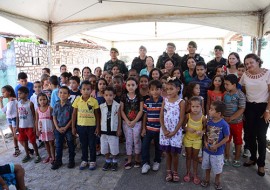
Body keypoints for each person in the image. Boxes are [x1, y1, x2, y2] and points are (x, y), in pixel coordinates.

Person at [240, 53, 270, 177]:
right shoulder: (245, 75)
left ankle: (261, 164)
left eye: (251, 62)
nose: (249, 65)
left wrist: (268, 110)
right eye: (246, 64)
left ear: (258, 61)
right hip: (249, 107)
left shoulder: (267, 73)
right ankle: (253, 158)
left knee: (261, 137)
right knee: (250, 135)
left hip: (263, 107)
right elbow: (243, 90)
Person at [160, 77, 185, 182]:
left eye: (171, 89)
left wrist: (174, 131)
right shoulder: (165, 100)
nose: (168, 91)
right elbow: (161, 116)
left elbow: (182, 118)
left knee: (174, 153)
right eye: (167, 89)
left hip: (176, 131)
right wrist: (164, 129)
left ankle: (175, 171)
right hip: (165, 131)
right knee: (167, 153)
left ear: (178, 89)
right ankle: (168, 171)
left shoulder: (181, 102)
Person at [72, 80, 100, 170]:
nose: (86, 91)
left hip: (92, 126)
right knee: (83, 144)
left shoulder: (94, 101)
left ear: (91, 90)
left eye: (88, 89)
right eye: (84, 89)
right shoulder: (77, 100)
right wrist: (73, 127)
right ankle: (84, 160)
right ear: (80, 91)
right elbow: (74, 114)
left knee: (92, 144)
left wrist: (98, 126)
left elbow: (97, 114)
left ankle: (92, 161)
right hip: (81, 126)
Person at [201, 101, 229, 189]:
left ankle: (217, 181)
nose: (209, 110)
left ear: (219, 113)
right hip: (207, 150)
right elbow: (205, 133)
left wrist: (217, 146)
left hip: (218, 152)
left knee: (217, 168)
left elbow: (226, 138)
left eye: (212, 109)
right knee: (207, 166)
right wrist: (205, 142)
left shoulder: (224, 124)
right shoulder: (209, 122)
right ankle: (207, 179)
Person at [120, 77, 144, 169]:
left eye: (133, 85)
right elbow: (121, 110)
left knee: (137, 140)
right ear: (125, 86)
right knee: (129, 141)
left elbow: (141, 110)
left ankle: (137, 158)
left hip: (137, 122)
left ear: (137, 86)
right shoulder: (123, 97)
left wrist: (134, 121)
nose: (130, 87)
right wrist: (127, 121)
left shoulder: (139, 97)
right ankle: (129, 159)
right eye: (128, 85)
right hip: (126, 123)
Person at [141, 80, 163, 174]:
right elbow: (145, 115)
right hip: (148, 129)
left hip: (159, 130)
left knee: (158, 147)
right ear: (149, 91)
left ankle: (157, 161)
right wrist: (143, 128)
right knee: (145, 146)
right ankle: (145, 163)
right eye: (152, 90)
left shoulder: (164, 101)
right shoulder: (147, 101)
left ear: (161, 90)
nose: (155, 92)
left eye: (157, 89)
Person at [223, 74, 246, 167]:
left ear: (234, 85)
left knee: (238, 140)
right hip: (226, 122)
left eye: (227, 84)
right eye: (225, 84)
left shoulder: (240, 95)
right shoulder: (225, 94)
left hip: (237, 123)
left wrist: (231, 118)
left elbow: (241, 109)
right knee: (227, 139)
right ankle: (226, 157)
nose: (225, 86)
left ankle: (236, 159)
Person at [183, 96, 206, 185]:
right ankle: (188, 172)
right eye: (193, 106)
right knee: (188, 156)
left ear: (201, 107)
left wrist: (202, 132)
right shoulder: (187, 116)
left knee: (195, 158)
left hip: (197, 141)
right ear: (190, 106)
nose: (195, 109)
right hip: (188, 139)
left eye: (197, 106)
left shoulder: (203, 118)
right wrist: (187, 128)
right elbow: (183, 126)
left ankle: (195, 174)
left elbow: (205, 129)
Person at [52, 86, 75, 170]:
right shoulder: (56, 105)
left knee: (70, 144)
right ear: (58, 94)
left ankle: (71, 160)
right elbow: (54, 117)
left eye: (65, 93)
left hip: (67, 128)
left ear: (69, 95)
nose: (62, 94)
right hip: (58, 128)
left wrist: (66, 127)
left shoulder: (71, 106)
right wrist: (57, 128)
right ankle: (58, 161)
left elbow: (72, 118)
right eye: (60, 92)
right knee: (58, 145)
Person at [16, 86, 41, 163]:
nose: (18, 95)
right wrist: (17, 126)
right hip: (21, 126)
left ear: (26, 94)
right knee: (24, 141)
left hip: (30, 126)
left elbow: (34, 116)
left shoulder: (30, 103)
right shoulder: (18, 104)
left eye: (20, 93)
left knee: (33, 141)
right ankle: (27, 154)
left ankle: (37, 155)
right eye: (18, 93)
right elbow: (17, 116)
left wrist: (35, 126)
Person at [100, 86, 121, 171]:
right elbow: (100, 117)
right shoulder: (101, 106)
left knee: (114, 147)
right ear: (104, 96)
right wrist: (98, 128)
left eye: (110, 95)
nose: (108, 97)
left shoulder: (117, 106)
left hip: (113, 130)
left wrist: (119, 129)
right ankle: (107, 161)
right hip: (104, 130)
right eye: (106, 95)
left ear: (114, 96)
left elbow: (119, 118)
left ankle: (114, 161)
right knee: (105, 147)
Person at [0, 85, 21, 157]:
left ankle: (28, 149)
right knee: (14, 135)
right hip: (9, 119)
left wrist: (7, 113)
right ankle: (17, 149)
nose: (2, 94)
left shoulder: (13, 100)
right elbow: (3, 110)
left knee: (16, 135)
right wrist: (1, 102)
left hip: (14, 119)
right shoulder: (9, 101)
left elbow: (10, 112)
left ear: (9, 92)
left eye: (3, 92)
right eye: (2, 93)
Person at [35, 93, 55, 164]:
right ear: (38, 101)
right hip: (42, 129)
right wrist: (37, 130)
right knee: (45, 143)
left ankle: (53, 157)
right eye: (40, 100)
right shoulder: (37, 110)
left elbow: (53, 119)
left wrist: (54, 128)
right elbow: (36, 120)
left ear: (47, 100)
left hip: (49, 128)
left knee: (51, 143)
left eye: (44, 99)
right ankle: (49, 156)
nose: (42, 101)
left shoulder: (50, 108)